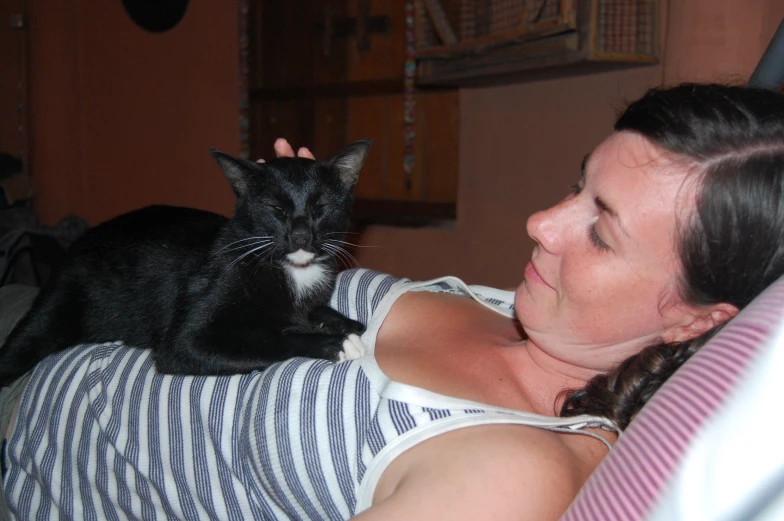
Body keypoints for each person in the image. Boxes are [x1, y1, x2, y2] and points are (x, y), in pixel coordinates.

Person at [0, 83, 783, 521]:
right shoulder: (519, 309)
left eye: (602, 232)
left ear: (697, 317)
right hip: (78, 341)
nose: (540, 222)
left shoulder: (513, 477)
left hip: (38, 473)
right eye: (576, 185)